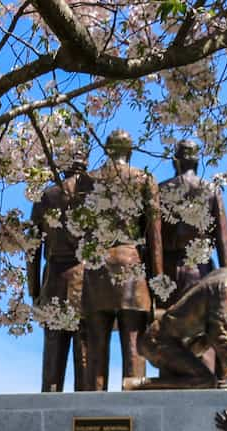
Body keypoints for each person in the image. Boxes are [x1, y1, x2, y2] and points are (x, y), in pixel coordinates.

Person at [76, 130, 162, 391]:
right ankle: (134, 405)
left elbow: (78, 228)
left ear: (107, 149)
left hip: (97, 264)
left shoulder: (88, 180)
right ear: (131, 151)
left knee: (96, 346)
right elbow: (154, 232)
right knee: (134, 343)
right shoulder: (144, 179)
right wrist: (158, 279)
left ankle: (94, 407)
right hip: (131, 263)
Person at [122, 258, 227, 390]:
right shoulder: (226, 287)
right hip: (160, 342)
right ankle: (137, 384)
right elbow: (219, 338)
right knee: (205, 380)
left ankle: (222, 384)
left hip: (184, 343)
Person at [28, 162, 88, 391]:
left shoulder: (46, 195)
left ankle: (51, 403)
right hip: (84, 277)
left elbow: (32, 248)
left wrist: (33, 290)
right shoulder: (91, 194)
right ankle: (86, 408)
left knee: (53, 350)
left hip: (53, 276)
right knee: (84, 350)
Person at [157, 139, 227, 299]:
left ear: (175, 161)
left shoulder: (160, 190)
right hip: (199, 269)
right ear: (197, 161)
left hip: (166, 268)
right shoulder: (211, 190)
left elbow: (151, 235)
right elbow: (222, 237)